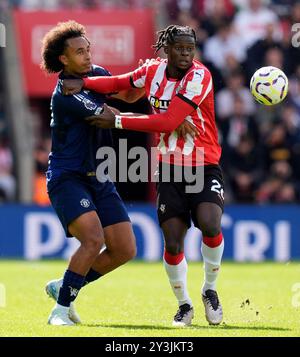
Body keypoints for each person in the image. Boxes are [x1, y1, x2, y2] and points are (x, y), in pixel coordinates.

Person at [63, 25, 225, 326]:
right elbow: (118, 83)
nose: (187, 54)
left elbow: (167, 122)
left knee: (210, 223)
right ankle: (184, 305)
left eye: (191, 49)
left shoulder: (199, 76)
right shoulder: (152, 71)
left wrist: (118, 121)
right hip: (168, 167)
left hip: (203, 163)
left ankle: (210, 289)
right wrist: (83, 82)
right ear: (167, 49)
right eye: (180, 48)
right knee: (173, 242)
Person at [40, 20, 144, 326]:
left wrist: (148, 77)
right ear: (64, 59)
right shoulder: (65, 93)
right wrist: (164, 122)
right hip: (67, 177)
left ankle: (65, 286)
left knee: (125, 249)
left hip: (99, 177)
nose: (87, 56)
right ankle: (59, 311)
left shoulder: (96, 75)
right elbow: (110, 117)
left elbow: (127, 95)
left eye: (88, 49)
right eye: (79, 52)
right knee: (93, 239)